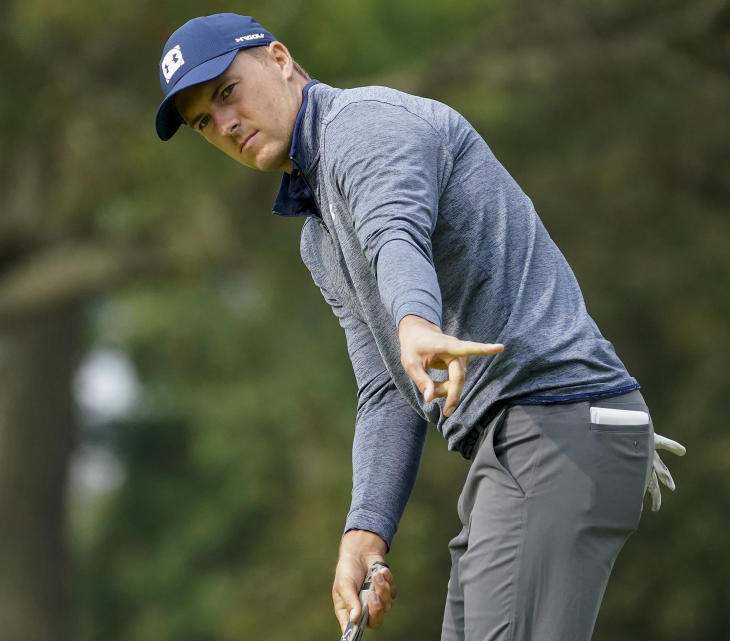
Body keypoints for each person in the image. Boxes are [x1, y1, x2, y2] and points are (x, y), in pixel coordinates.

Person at [155, 13, 686, 641]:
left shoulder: (364, 127)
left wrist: (414, 321)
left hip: (557, 427)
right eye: (202, 122)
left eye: (225, 93)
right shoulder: (320, 236)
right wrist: (365, 528)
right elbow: (387, 390)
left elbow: (394, 230)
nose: (225, 124)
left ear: (278, 59)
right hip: (522, 445)